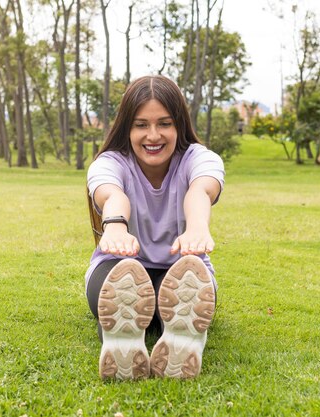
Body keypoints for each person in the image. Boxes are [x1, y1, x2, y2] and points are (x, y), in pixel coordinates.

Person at [85, 75, 225, 380]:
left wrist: (197, 228)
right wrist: (116, 227)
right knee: (118, 291)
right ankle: (129, 332)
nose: (153, 135)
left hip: (183, 267)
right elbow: (112, 194)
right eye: (141, 125)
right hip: (119, 264)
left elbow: (200, 191)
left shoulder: (199, 159)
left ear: (179, 125)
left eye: (164, 123)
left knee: (174, 302)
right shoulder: (110, 163)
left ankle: (158, 333)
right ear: (127, 127)